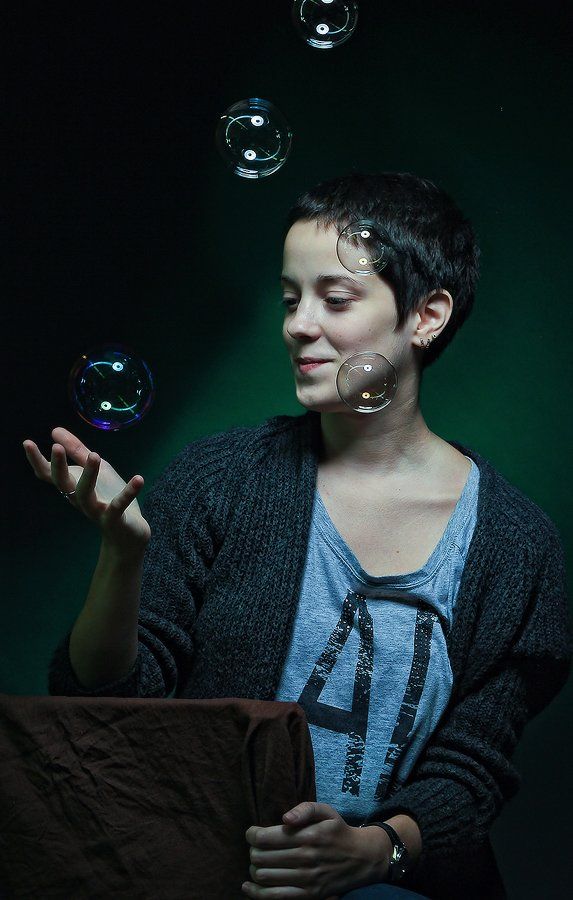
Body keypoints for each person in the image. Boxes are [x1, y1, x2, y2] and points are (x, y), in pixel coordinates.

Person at [23, 173, 571, 900]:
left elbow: (472, 769)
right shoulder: (219, 480)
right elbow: (104, 701)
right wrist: (122, 558)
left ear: (426, 316)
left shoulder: (516, 547)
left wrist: (373, 852)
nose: (298, 325)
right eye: (290, 299)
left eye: (335, 299)